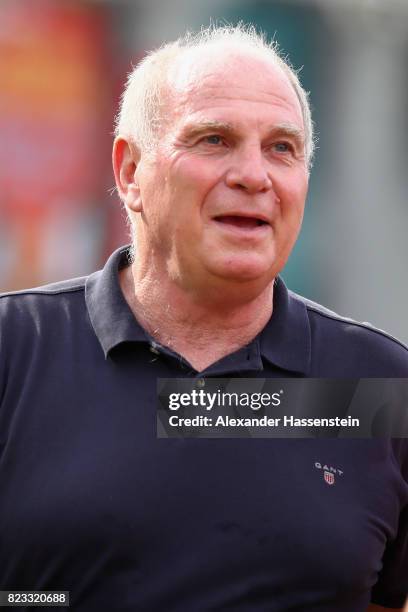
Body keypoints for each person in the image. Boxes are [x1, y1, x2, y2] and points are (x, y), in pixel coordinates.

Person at [0, 24, 407, 612]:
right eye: (214, 140)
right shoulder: (16, 353)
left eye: (282, 148)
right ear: (130, 172)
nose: (253, 175)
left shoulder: (376, 386)